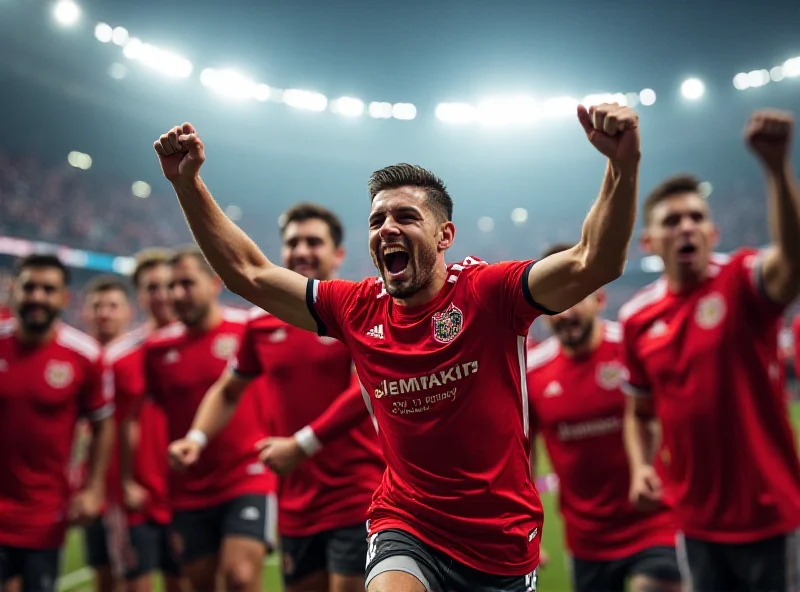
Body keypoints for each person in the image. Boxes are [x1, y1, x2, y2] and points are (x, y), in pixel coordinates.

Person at [154, 102, 641, 592]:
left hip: (500, 539)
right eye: (376, 220)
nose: (386, 227)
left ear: (444, 234)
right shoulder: (356, 308)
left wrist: (621, 165)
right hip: (407, 524)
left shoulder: (489, 293)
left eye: (406, 216)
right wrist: (186, 184)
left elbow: (592, 262)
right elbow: (251, 274)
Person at [620, 110, 800, 592]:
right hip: (695, 522)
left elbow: (793, 263)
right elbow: (638, 412)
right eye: (672, 220)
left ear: (712, 234)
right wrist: (640, 465)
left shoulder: (741, 279)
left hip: (771, 514)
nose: (687, 227)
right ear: (651, 242)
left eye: (697, 218)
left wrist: (777, 168)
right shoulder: (637, 318)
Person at [170, 203, 384, 592]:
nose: (302, 250)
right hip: (294, 501)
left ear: (338, 254)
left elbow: (365, 391)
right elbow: (228, 389)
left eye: (313, 242)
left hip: (357, 494)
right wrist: (196, 438)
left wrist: (302, 444)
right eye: (293, 243)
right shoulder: (261, 323)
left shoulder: (358, 310)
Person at [527, 244, 681, 592]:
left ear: (600, 300)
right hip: (587, 538)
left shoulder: (633, 348)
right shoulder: (534, 373)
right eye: (556, 302)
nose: (565, 313)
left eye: (576, 298)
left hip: (653, 518)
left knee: (654, 586)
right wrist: (526, 530)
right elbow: (525, 457)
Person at [143, 247, 275, 592]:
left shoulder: (247, 329)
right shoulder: (156, 351)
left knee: (240, 577)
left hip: (246, 475)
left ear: (215, 283)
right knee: (199, 584)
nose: (176, 294)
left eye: (187, 283)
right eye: (171, 286)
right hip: (188, 486)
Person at [0, 254, 114, 592]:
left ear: (65, 298)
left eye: (48, 289)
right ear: (13, 291)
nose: (37, 297)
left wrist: (93, 488)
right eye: (29, 287)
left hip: (45, 511)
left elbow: (103, 424)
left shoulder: (85, 356)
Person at [112, 249, 184, 592]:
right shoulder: (123, 357)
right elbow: (121, 426)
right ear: (139, 295)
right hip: (141, 497)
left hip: (188, 491)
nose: (160, 295)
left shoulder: (200, 344)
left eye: (165, 286)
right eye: (150, 287)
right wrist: (126, 482)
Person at [80, 275, 136, 592]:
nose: (105, 313)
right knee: (102, 572)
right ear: (86, 313)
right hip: (90, 485)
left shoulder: (140, 355)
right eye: (97, 306)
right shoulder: (78, 361)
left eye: (113, 306)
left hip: (131, 485)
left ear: (128, 311)